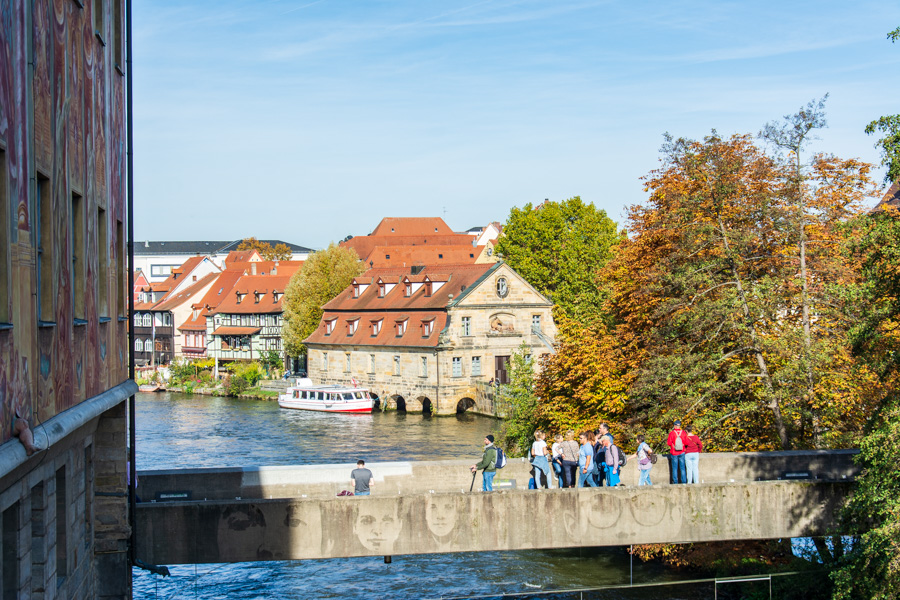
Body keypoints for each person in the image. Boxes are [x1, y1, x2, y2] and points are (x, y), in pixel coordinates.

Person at [667, 420, 688, 484]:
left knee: (674, 468)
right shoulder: (683, 433)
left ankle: (675, 482)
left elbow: (669, 443)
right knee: (682, 468)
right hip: (682, 452)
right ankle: (684, 481)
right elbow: (687, 442)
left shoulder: (672, 433)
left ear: (674, 426)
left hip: (674, 452)